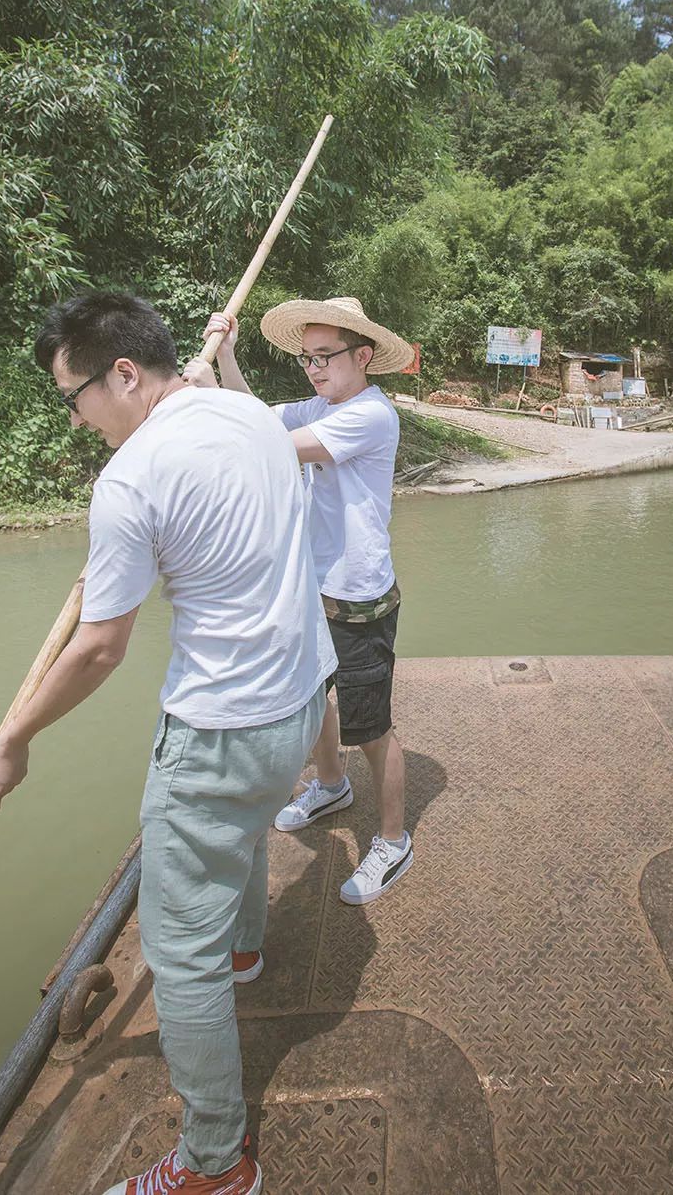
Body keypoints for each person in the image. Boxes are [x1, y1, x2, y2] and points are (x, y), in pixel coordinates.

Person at [0, 292, 336, 1195]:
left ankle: (214, 1162)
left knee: (178, 957)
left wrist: (12, 739)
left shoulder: (132, 480)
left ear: (124, 375)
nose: (76, 415)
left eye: (74, 395)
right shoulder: (248, 415)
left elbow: (99, 646)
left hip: (218, 736)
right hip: (295, 708)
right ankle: (244, 949)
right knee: (241, 839)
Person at [184, 296, 414, 905]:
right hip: (312, 589)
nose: (313, 369)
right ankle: (331, 786)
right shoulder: (324, 403)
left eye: (325, 357)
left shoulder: (369, 414)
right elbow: (258, 416)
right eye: (307, 358)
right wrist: (227, 361)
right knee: (313, 700)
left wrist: (206, 393)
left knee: (373, 727)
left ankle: (392, 840)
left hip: (359, 597)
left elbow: (266, 445)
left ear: (362, 357)